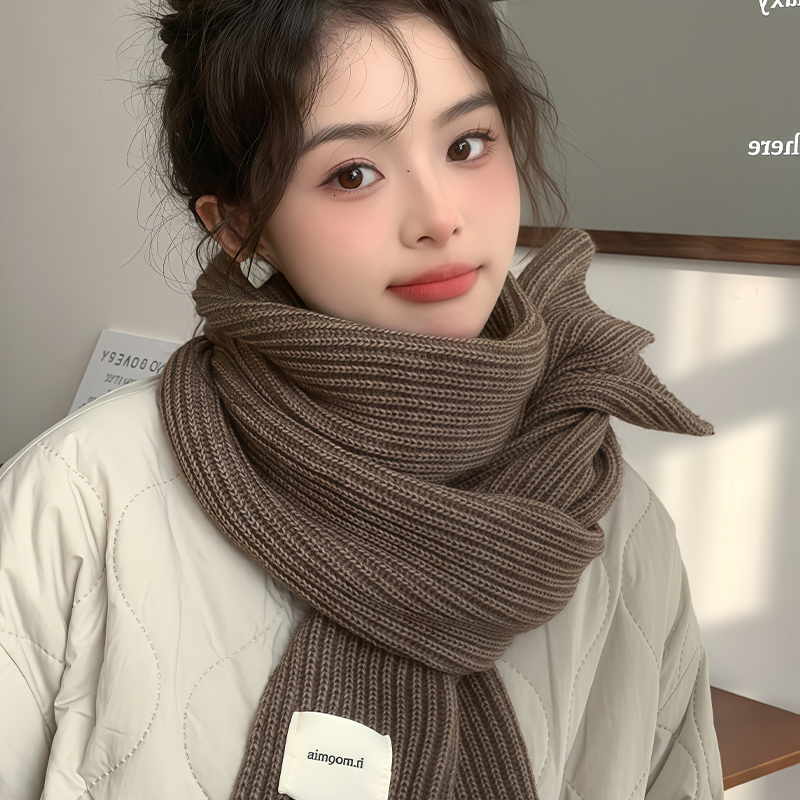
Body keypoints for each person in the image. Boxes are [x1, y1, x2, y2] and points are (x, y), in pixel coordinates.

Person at [0, 1, 724, 798]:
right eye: (352, 174)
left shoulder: (615, 519)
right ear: (241, 227)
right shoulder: (77, 500)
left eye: (467, 144)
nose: (440, 218)